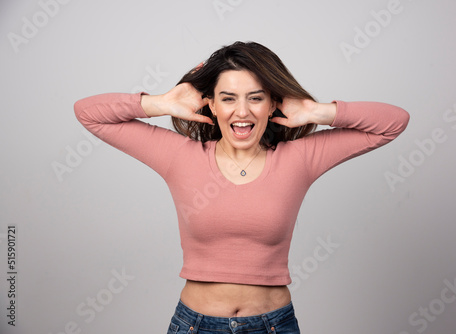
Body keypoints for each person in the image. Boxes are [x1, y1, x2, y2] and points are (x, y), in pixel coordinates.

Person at [74, 41, 409, 334]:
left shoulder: (299, 159)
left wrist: (314, 110)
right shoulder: (179, 157)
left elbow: (393, 123)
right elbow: (88, 113)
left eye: (256, 98)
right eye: (228, 98)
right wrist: (161, 102)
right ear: (212, 105)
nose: (242, 111)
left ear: (273, 103)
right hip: (196, 325)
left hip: (273, 324)